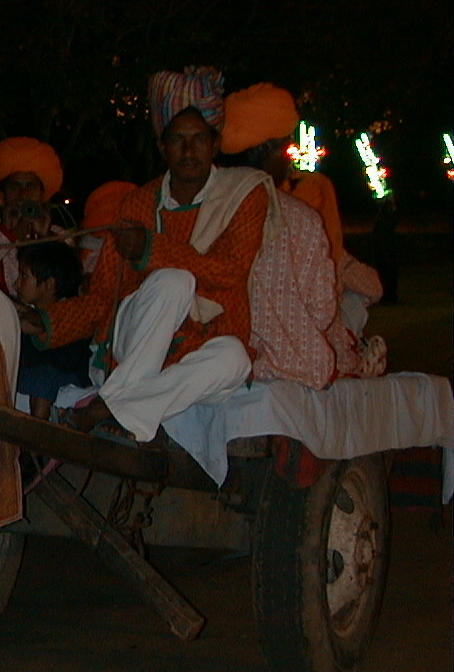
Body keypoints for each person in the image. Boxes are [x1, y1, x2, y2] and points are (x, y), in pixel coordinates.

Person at [20, 66, 268, 443]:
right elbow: (103, 296)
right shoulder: (138, 204)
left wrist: (151, 249)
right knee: (173, 280)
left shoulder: (244, 196)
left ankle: (113, 408)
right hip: (136, 346)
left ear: (215, 145)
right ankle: (123, 402)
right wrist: (46, 321)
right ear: (161, 146)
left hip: (200, 347)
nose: (188, 151)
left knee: (235, 358)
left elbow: (231, 272)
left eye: (199, 139)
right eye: (177, 140)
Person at [220, 82, 385, 384]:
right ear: (270, 149)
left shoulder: (203, 203)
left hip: (221, 357)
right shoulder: (301, 219)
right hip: (293, 363)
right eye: (286, 145)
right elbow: (322, 312)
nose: (290, 156)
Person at [0, 137, 65, 292]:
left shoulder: (60, 236)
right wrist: (8, 234)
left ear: (42, 193)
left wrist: (46, 238)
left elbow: (65, 282)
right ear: (2, 194)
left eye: (30, 186)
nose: (23, 194)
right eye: (15, 187)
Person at [14, 240, 89, 419]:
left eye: (24, 276)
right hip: (28, 377)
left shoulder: (70, 312)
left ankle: (39, 435)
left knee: (43, 377)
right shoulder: (26, 308)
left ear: (48, 285)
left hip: (66, 379)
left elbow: (31, 323)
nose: (16, 283)